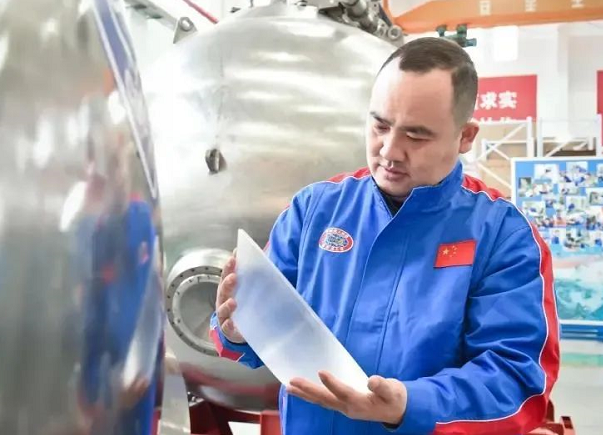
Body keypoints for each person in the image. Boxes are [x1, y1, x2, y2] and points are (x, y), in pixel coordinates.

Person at [209, 37, 560, 435]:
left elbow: (517, 380)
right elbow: (265, 323)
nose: (390, 151)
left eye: (416, 136)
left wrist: (410, 405)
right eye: (380, 125)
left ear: (465, 136)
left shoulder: (503, 236)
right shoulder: (315, 210)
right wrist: (237, 329)